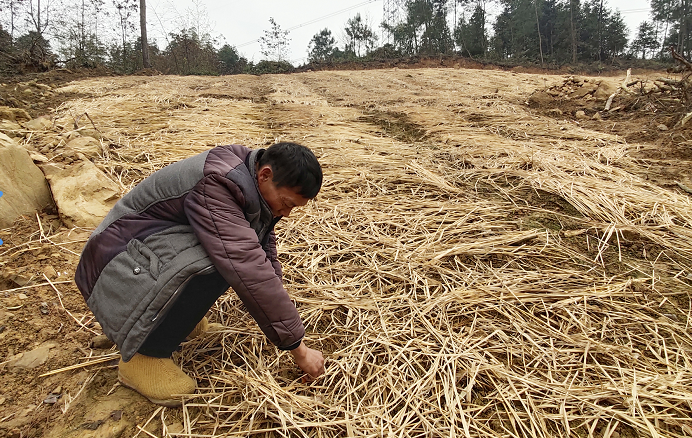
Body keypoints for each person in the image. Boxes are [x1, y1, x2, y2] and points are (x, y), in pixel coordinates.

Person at [75, 142, 326, 407]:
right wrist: (298, 347)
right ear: (265, 175)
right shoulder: (219, 184)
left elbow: (262, 250)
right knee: (219, 260)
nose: (286, 214)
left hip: (138, 254)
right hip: (114, 262)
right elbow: (248, 266)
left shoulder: (249, 179)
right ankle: (144, 356)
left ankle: (180, 321)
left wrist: (280, 306)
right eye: (287, 204)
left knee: (225, 253)